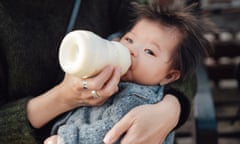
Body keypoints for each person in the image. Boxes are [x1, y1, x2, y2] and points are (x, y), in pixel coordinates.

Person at [0, 0, 195, 143]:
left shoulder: (135, 98)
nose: (131, 51)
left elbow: (108, 133)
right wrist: (64, 97)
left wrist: (171, 108)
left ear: (170, 77)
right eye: (128, 40)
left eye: (149, 52)